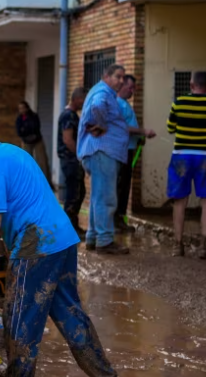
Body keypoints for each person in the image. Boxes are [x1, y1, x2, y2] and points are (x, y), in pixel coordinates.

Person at [0, 110, 124, 377]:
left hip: (35, 246)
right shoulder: (13, 153)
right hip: (61, 239)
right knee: (70, 314)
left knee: (20, 320)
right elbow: (6, 217)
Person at [166, 71, 206, 258]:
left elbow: (170, 128)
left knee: (180, 200)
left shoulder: (178, 103)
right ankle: (203, 246)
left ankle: (178, 245)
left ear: (191, 85)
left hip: (181, 157)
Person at [78, 64, 130, 254]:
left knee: (98, 197)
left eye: (123, 78)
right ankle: (105, 240)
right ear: (106, 76)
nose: (121, 81)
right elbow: (97, 106)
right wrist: (100, 124)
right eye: (118, 77)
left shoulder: (101, 91)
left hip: (100, 153)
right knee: (106, 198)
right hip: (102, 152)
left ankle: (94, 237)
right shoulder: (103, 92)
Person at [116, 75, 156, 232]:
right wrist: (143, 132)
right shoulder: (117, 104)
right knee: (120, 186)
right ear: (121, 86)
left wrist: (139, 138)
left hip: (129, 149)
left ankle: (119, 219)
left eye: (134, 88)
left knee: (125, 186)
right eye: (130, 88)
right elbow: (122, 127)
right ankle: (116, 222)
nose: (132, 91)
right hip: (121, 151)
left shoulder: (125, 104)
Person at [58, 87, 87, 234]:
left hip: (71, 160)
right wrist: (79, 155)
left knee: (78, 192)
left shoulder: (72, 115)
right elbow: (68, 139)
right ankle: (68, 229)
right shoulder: (69, 116)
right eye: (83, 99)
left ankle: (71, 227)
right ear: (76, 99)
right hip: (70, 160)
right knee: (74, 194)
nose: (84, 103)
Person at [15, 101, 51, 184]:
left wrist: (26, 129)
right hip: (26, 141)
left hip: (37, 139)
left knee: (42, 161)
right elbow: (19, 132)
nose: (22, 110)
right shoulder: (19, 119)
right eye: (20, 109)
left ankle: (45, 181)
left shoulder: (33, 116)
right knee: (26, 161)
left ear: (27, 108)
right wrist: (26, 131)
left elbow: (36, 127)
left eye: (23, 108)